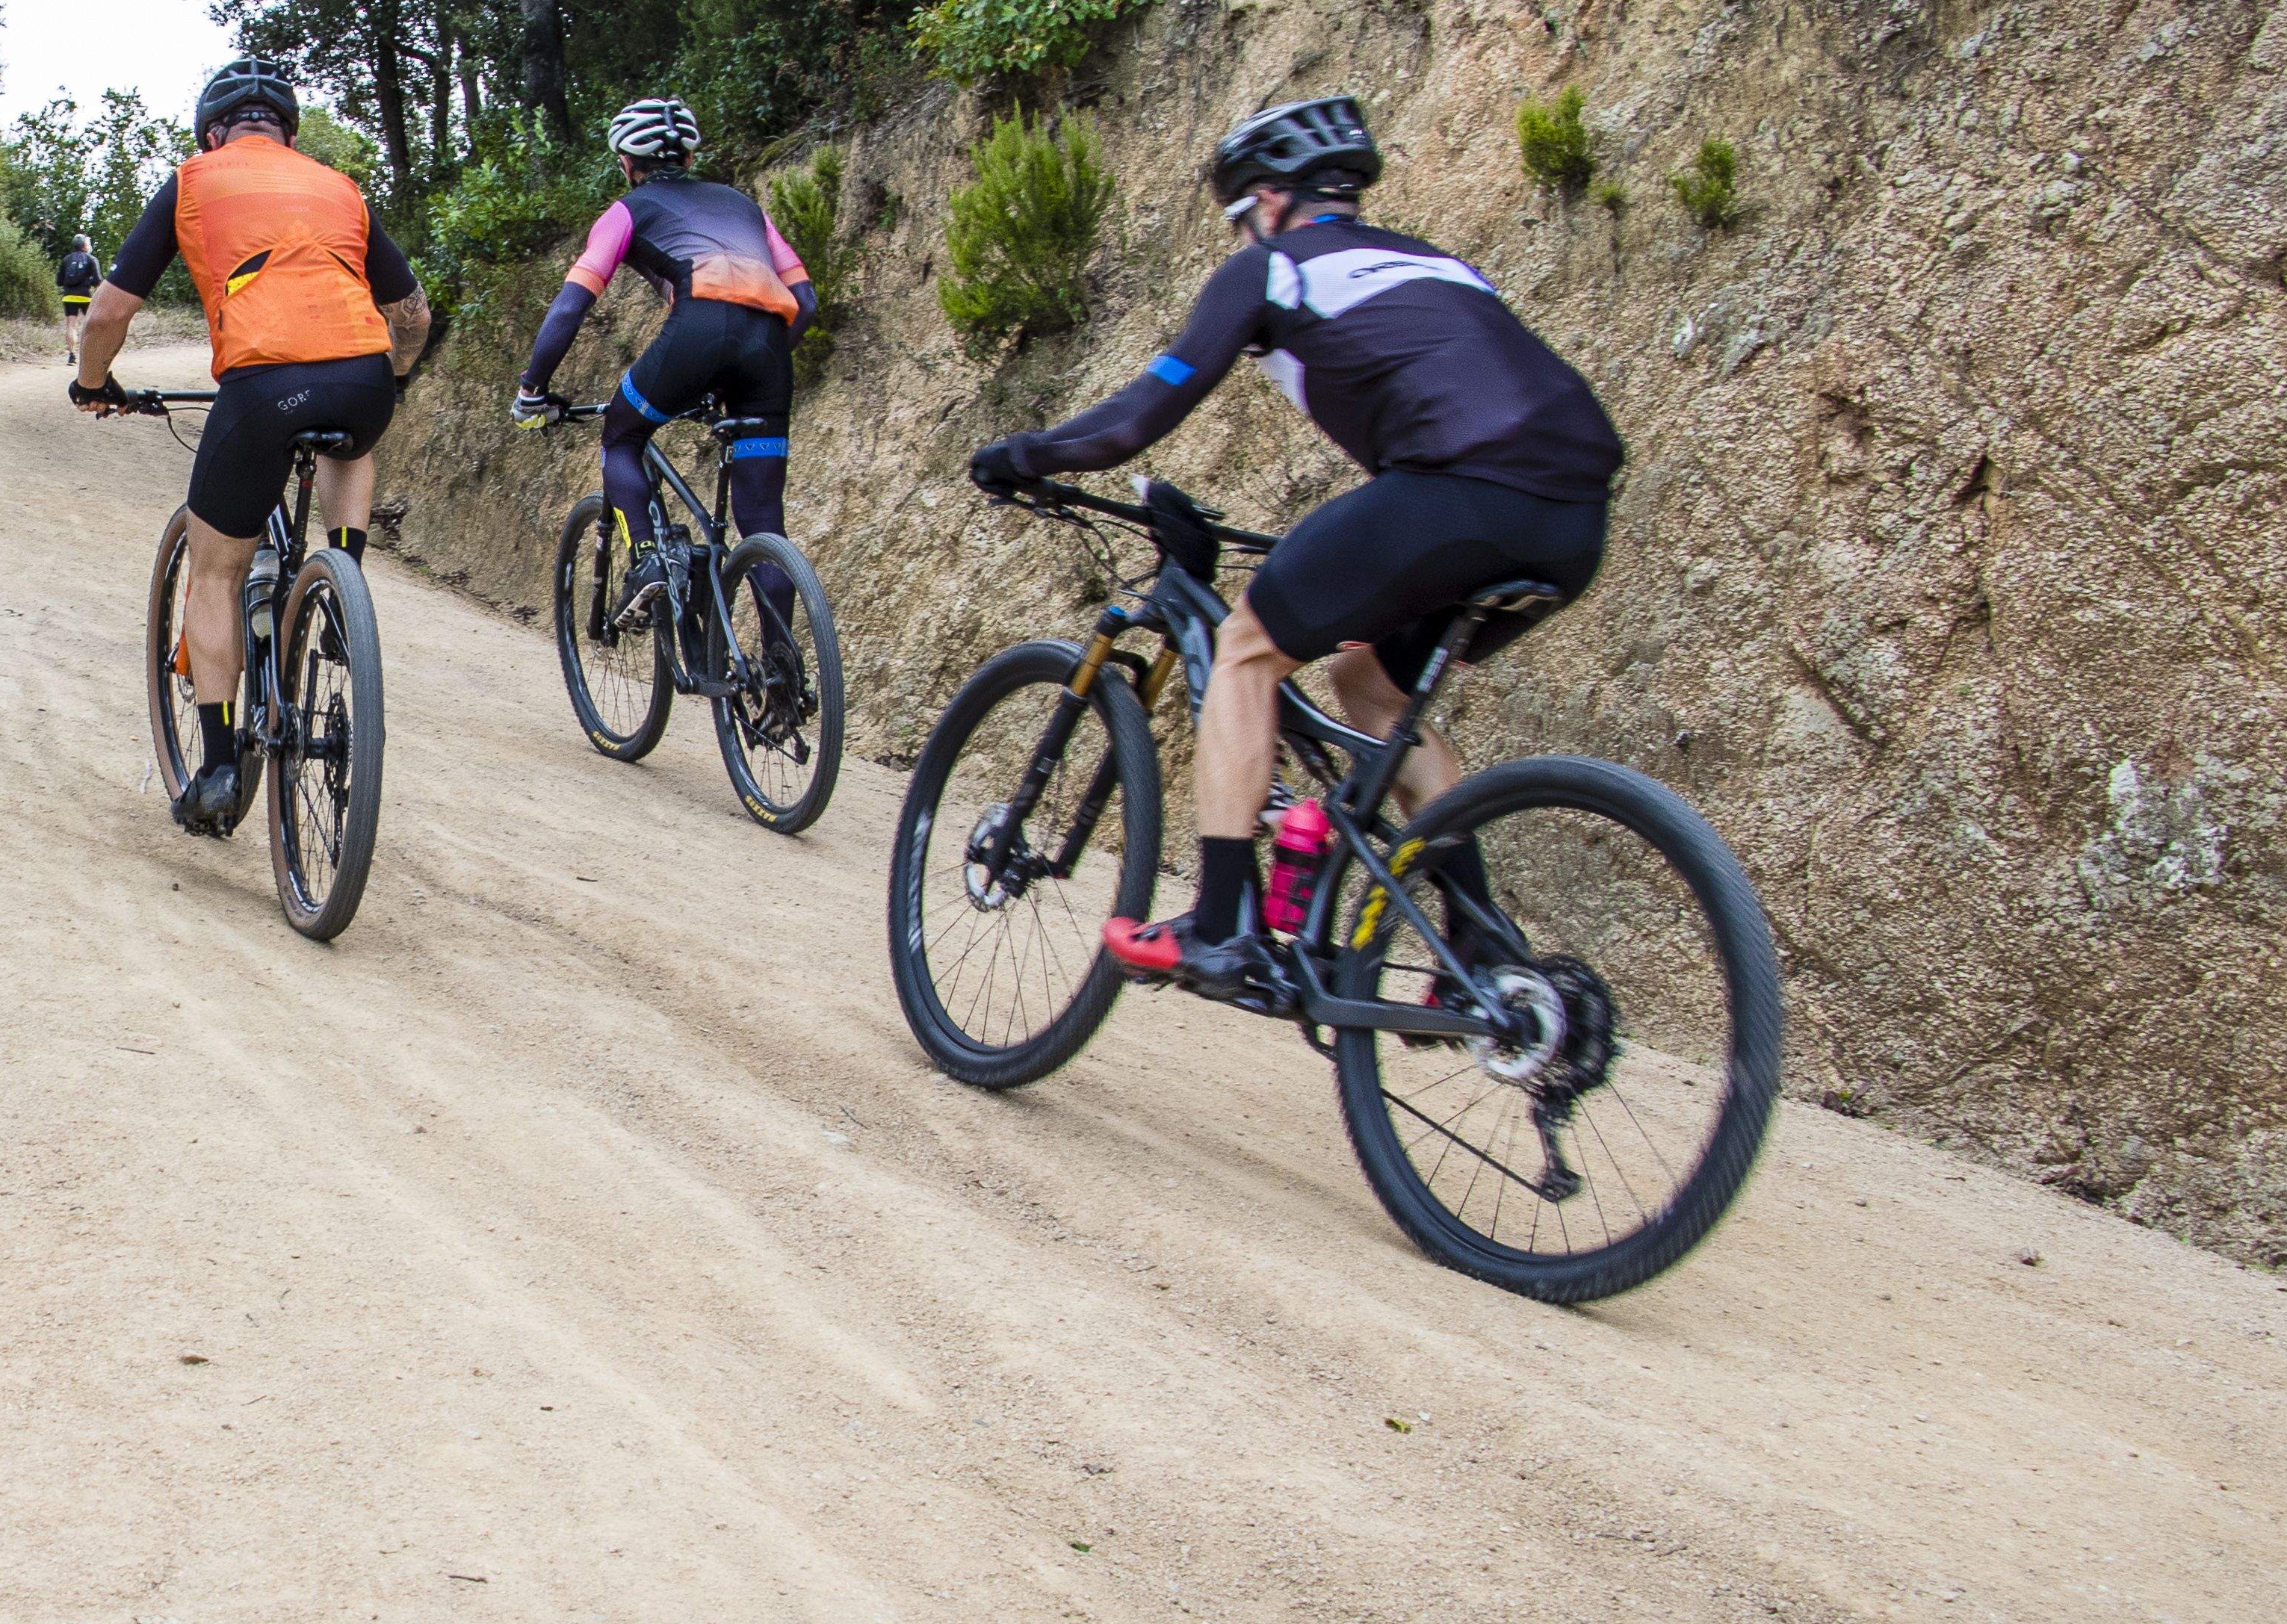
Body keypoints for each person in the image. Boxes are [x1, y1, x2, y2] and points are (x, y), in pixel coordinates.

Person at [967, 94, 1623, 993]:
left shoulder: (1273, 268)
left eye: (1241, 219)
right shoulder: (1438, 263)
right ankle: (1476, 940)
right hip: (1574, 519)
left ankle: (1222, 924)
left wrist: (1022, 455)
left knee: (1244, 649)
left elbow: (1136, 417)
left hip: (1456, 492)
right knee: (1369, 684)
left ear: (1270, 202)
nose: (1241, 237)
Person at [72, 58, 434, 833]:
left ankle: (219, 768)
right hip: (362, 380)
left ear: (211, 133)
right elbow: (411, 314)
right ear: (291, 135)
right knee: (351, 441)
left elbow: (107, 312)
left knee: (217, 569)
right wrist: (390, 379)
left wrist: (92, 383)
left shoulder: (195, 178)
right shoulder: (338, 187)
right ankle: (342, 583)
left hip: (263, 388)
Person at [510, 96, 815, 609]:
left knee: (621, 437)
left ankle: (648, 558)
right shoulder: (745, 207)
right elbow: (804, 302)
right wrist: (737, 375)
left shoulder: (626, 210)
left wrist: (532, 388)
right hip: (768, 349)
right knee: (764, 523)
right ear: (690, 158)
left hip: (698, 329)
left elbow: (569, 308)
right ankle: (781, 678)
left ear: (626, 163)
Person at [55, 230, 103, 351]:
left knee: (71, 326)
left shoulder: (66, 260)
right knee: (91, 326)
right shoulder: (91, 259)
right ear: (84, 245)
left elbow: (59, 282)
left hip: (68, 297)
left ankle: (71, 354)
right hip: (85, 297)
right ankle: (90, 351)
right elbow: (98, 281)